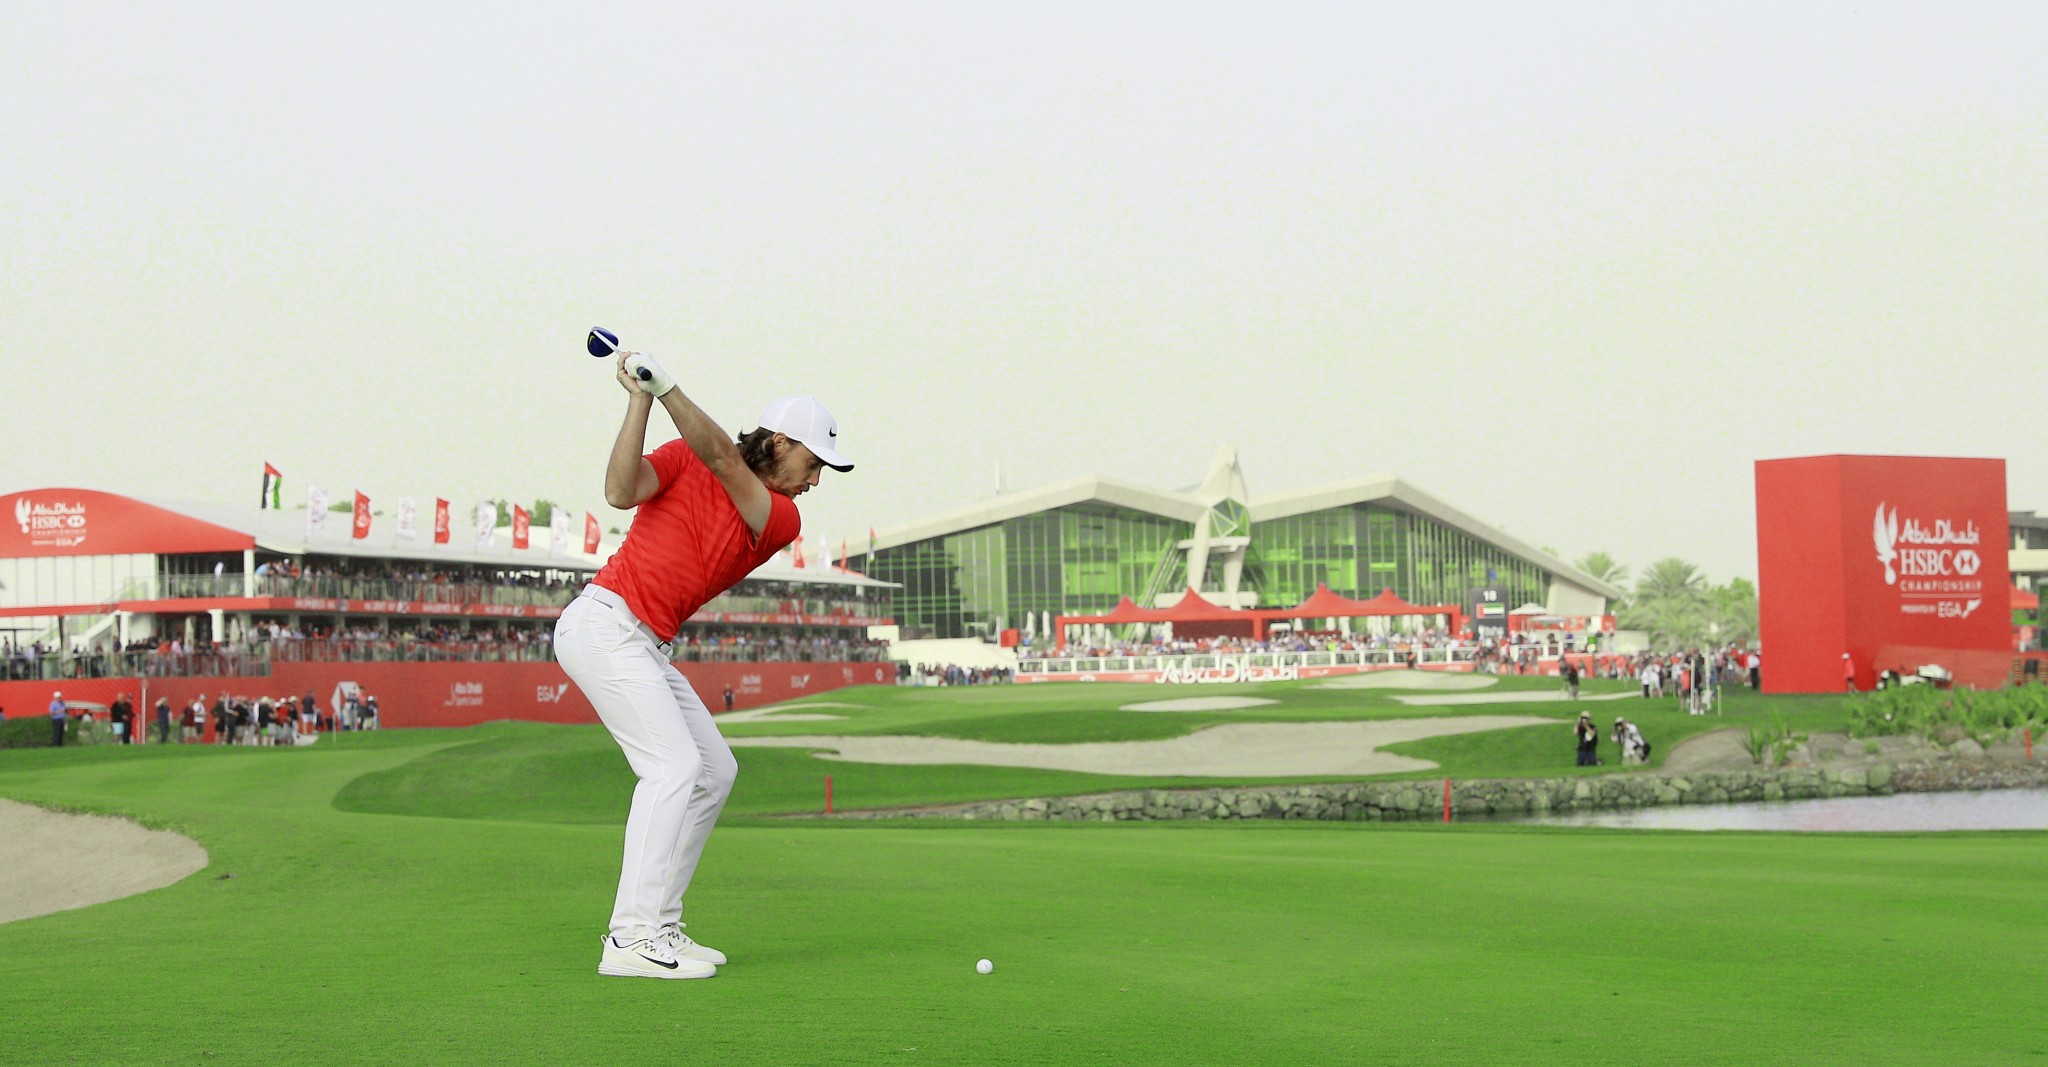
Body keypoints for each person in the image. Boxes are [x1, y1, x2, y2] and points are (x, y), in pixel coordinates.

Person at [554, 343, 851, 981]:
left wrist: (667, 388)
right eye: (813, 461)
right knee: (674, 767)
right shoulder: (685, 454)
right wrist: (641, 400)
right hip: (604, 623)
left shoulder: (780, 517)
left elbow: (722, 457)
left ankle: (660, 923)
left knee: (714, 771)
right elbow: (619, 490)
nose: (816, 480)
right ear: (778, 442)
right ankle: (630, 938)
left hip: (642, 642)